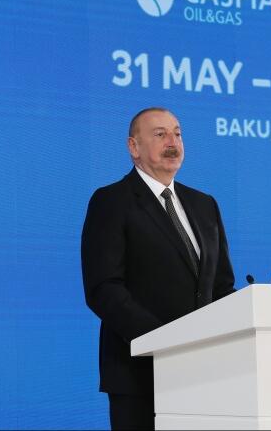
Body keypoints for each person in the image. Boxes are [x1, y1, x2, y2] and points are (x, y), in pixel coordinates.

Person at [81, 107, 236, 430]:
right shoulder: (111, 201)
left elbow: (220, 287)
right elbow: (104, 288)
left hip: (206, 373)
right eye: (160, 134)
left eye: (177, 134)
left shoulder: (204, 204)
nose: (172, 142)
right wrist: (165, 341)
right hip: (139, 374)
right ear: (133, 147)